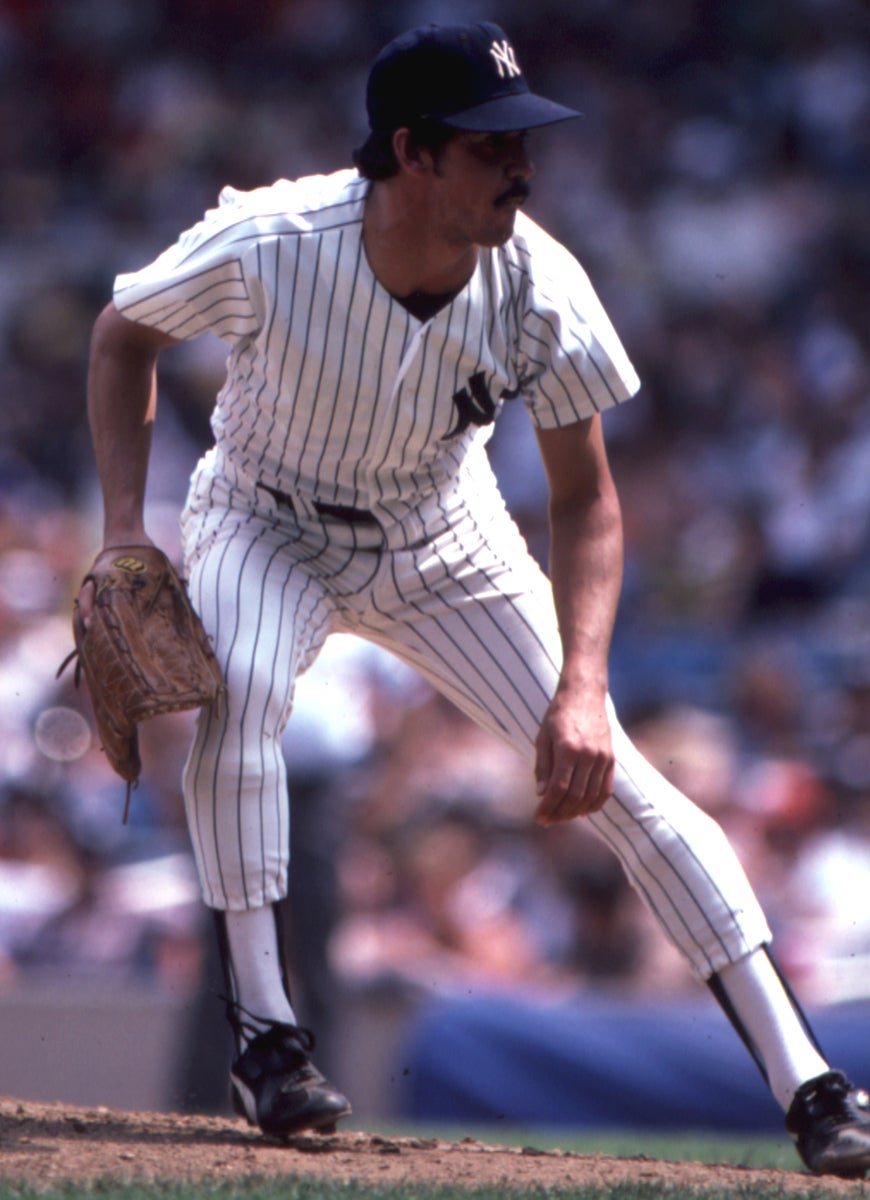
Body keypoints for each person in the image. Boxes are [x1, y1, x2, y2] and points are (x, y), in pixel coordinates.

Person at [81, 20, 870, 1176]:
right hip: (265, 517)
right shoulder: (272, 236)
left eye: (523, 142)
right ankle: (269, 1038)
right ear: (412, 152)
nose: (523, 166)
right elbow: (118, 336)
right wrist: (117, 530)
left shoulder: (539, 280)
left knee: (628, 791)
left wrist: (587, 689)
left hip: (444, 539)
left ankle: (812, 1087)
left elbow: (588, 500)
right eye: (492, 145)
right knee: (245, 694)